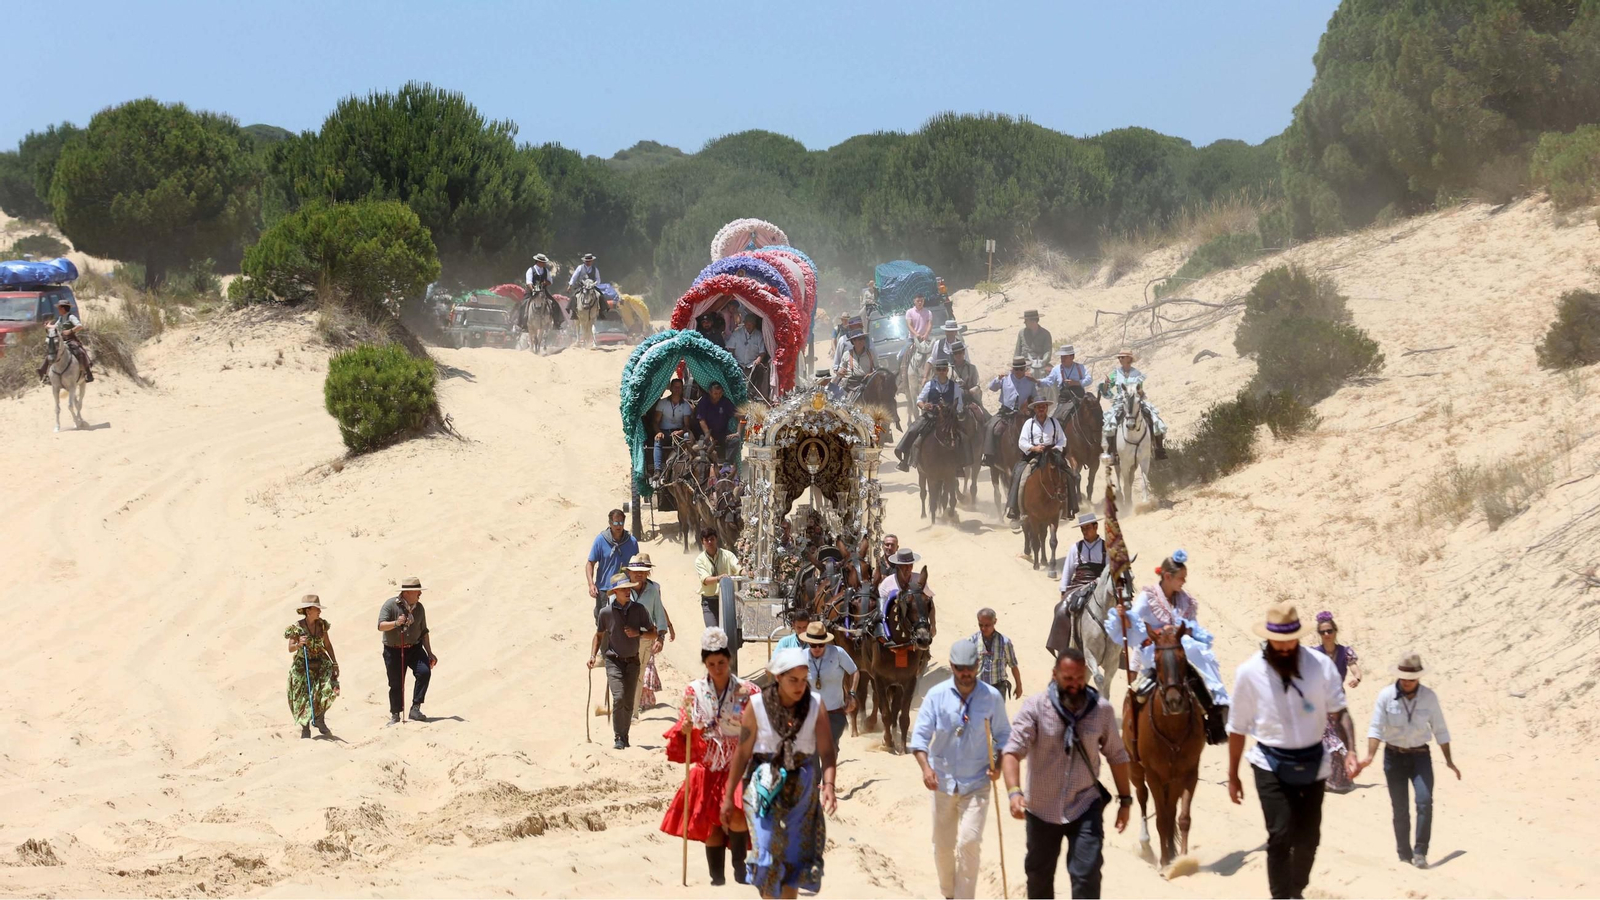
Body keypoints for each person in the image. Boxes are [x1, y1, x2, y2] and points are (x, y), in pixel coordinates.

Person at [1226, 601, 1358, 900]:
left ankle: (1295, 891)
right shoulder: (1250, 672)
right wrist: (1232, 774)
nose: (1285, 648)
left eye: (1290, 642)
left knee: (1309, 839)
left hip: (1313, 760)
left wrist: (1350, 750)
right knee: (1281, 835)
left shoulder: (1320, 666)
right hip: (1269, 763)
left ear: (1298, 637)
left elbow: (1341, 711)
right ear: (1269, 638)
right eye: (1278, 642)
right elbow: (1237, 728)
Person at [1002, 649, 1133, 899]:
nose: (1074, 685)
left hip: (1084, 806)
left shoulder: (1101, 710)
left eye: (1079, 679)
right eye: (1067, 679)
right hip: (1041, 809)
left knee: (1087, 876)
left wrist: (1125, 800)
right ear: (1055, 675)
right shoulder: (1035, 707)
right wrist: (1014, 792)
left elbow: (1117, 756)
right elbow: (1012, 752)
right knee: (1038, 879)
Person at [723, 647, 838, 899]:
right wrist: (729, 794)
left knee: (794, 858)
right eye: (792, 680)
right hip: (764, 785)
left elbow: (827, 752)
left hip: (803, 786)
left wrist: (828, 785)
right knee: (766, 852)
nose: (799, 686)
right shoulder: (756, 706)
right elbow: (742, 753)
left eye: (803, 679)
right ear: (778, 678)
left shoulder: (815, 705)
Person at [909, 639, 1010, 900]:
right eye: (960, 668)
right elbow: (919, 739)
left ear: (978, 665)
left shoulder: (992, 697)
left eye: (971, 667)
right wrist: (925, 768)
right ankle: (949, 895)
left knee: (969, 843)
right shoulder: (936, 696)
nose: (966, 673)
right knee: (943, 847)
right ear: (952, 666)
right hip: (941, 782)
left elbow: (1004, 738)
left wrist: (997, 765)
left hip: (977, 783)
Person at [662, 627, 760, 886]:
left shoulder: (746, 691)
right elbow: (685, 721)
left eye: (722, 662)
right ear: (705, 663)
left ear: (729, 660)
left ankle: (740, 868)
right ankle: (716, 878)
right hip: (708, 764)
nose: (717, 668)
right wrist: (685, 729)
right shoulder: (693, 691)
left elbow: (761, 723)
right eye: (712, 663)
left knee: (738, 814)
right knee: (712, 825)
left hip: (737, 763)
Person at [1104, 552, 1231, 743]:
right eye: (1181, 578)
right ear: (1168, 577)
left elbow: (1191, 625)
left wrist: (1180, 630)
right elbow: (1134, 619)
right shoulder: (1148, 597)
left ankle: (1213, 716)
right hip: (1155, 649)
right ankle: (1135, 731)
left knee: (1198, 662)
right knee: (1141, 690)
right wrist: (1124, 617)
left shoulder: (1185, 600)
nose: (1183, 582)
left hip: (1181, 649)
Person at [1358, 652, 1458, 871]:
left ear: (1419, 678)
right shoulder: (1385, 696)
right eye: (1404, 678)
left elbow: (1440, 729)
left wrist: (1449, 760)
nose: (1407, 683)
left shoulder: (1429, 697)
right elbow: (1376, 728)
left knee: (1424, 801)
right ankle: (1404, 854)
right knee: (1400, 808)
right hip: (1393, 758)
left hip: (1420, 757)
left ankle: (1420, 851)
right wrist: (1370, 756)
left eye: (1411, 679)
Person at [589, 573, 658, 749]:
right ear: (615, 592)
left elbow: (653, 632)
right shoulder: (606, 613)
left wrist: (639, 633)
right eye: (623, 589)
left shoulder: (639, 609)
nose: (628, 591)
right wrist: (592, 655)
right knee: (619, 697)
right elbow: (598, 636)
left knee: (628, 701)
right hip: (613, 661)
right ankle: (618, 736)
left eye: (628, 588)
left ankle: (625, 736)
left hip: (633, 662)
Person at [1313, 611, 1362, 792]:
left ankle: (1339, 777)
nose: (1327, 635)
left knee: (1340, 733)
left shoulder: (1345, 652)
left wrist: (1357, 678)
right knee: (1327, 736)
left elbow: (1356, 669)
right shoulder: (1314, 653)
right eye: (1323, 632)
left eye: (1329, 631)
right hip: (1320, 698)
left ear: (1335, 631)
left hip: (1337, 698)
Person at [377, 576, 436, 726]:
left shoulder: (420, 608)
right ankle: (395, 714)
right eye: (417, 591)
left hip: (415, 648)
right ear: (408, 592)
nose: (420, 594)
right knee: (396, 683)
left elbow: (424, 631)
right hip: (393, 650)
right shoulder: (390, 605)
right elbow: (381, 625)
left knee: (424, 672)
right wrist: (396, 623)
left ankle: (415, 708)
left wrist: (429, 652)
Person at [895, 358, 964, 472]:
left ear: (947, 370)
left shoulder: (954, 386)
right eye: (939, 369)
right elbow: (919, 400)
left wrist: (950, 409)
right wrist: (924, 406)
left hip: (948, 418)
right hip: (931, 417)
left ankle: (960, 464)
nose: (942, 371)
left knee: (963, 436)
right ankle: (905, 461)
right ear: (936, 371)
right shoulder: (929, 385)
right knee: (913, 430)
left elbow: (960, 404)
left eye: (944, 369)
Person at [285, 594, 339, 738]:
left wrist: (334, 662)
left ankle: (320, 718)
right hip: (303, 665)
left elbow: (327, 644)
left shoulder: (322, 625)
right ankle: (305, 728)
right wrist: (299, 644)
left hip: (321, 662)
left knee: (328, 689)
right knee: (302, 696)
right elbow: (290, 648)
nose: (319, 611)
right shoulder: (296, 628)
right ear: (308, 610)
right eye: (317, 609)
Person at [1098, 349, 1167, 459]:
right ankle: (1112, 452)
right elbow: (1107, 390)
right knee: (1110, 423)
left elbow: (1141, 390)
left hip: (1135, 400)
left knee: (1154, 418)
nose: (1120, 359)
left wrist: (1138, 392)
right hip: (1121, 401)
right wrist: (1106, 384)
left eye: (1122, 357)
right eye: (1119, 357)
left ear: (1129, 359)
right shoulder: (1115, 373)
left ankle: (1159, 448)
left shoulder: (1137, 374)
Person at [628, 555, 674, 718]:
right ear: (629, 572)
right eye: (635, 571)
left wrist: (661, 637)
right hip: (624, 640)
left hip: (645, 639)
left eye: (642, 571)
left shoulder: (653, 590)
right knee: (623, 675)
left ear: (648, 572)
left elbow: (659, 614)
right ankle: (623, 710)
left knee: (638, 676)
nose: (639, 574)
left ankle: (632, 714)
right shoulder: (622, 589)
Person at [798, 621, 859, 742]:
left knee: (830, 750)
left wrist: (852, 694)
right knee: (812, 753)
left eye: (821, 645)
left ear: (826, 642)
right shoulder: (801, 657)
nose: (817, 648)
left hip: (835, 714)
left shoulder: (838, 653)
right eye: (813, 645)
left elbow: (854, 671)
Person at [1007, 396, 1066, 522]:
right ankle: (1014, 509)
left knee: (1069, 474)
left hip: (1052, 455)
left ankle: (1069, 507)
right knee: (1019, 476)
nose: (1041, 409)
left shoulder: (1055, 422)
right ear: (1034, 409)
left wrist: (1056, 448)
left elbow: (1062, 440)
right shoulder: (1028, 424)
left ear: (1047, 408)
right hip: (1033, 455)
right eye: (1039, 407)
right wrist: (1033, 448)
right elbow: (1022, 442)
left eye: (1043, 406)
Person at [983, 357, 1040, 466]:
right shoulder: (1005, 379)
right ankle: (989, 456)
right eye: (1016, 369)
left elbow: (1035, 396)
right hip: (1005, 412)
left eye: (1021, 369)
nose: (1018, 372)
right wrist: (997, 379)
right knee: (989, 427)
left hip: (1024, 414)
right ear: (1012, 369)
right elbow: (992, 388)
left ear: (1025, 369)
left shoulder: (1030, 382)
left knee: (1038, 429)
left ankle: (1040, 453)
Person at [585, 510, 639, 624]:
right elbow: (590, 564)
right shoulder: (600, 540)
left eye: (621, 523)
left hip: (625, 589)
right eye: (615, 523)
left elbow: (636, 566)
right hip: (605, 590)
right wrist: (591, 584)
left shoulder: (632, 541)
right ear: (610, 523)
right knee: (603, 625)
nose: (618, 526)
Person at [971, 609, 1023, 702]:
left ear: (995, 621)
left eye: (987, 625)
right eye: (981, 625)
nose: (983, 628)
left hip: (998, 688)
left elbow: (1013, 665)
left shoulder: (1005, 642)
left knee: (996, 716)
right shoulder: (972, 641)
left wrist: (1019, 686)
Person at [37, 298, 93, 383]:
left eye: (59, 308)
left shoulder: (71, 317)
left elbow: (79, 326)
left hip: (70, 339)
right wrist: (48, 326)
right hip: (61, 341)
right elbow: (56, 326)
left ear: (63, 308)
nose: (58, 310)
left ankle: (88, 373)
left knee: (80, 351)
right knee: (51, 351)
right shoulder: (60, 318)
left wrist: (70, 331)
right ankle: (44, 372)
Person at [696, 527, 741, 626]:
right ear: (702, 542)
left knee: (734, 632)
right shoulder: (700, 560)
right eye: (706, 540)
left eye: (712, 539)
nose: (709, 542)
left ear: (716, 539)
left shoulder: (728, 555)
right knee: (713, 633)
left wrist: (746, 572)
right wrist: (719, 578)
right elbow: (706, 579)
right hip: (709, 602)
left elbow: (738, 568)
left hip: (728, 599)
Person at [651, 378, 697, 475]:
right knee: (657, 440)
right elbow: (655, 422)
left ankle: (688, 465)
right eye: (675, 387)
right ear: (671, 388)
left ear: (682, 389)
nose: (677, 389)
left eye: (679, 387)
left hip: (679, 433)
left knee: (687, 439)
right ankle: (657, 470)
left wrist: (680, 432)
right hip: (664, 432)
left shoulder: (685, 405)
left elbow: (687, 425)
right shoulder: (662, 403)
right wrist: (658, 432)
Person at [1057, 513, 1106, 595]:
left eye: (1088, 528)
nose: (1085, 531)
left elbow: (1110, 571)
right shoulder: (1075, 548)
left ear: (1096, 527)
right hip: (1078, 589)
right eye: (1082, 529)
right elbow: (1067, 571)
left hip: (1099, 588)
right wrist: (1063, 591)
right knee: (1061, 608)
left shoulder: (1106, 548)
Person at [695, 381, 741, 464]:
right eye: (715, 393)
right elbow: (701, 420)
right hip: (706, 433)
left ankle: (727, 464)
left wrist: (738, 432)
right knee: (706, 447)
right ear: (710, 392)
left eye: (720, 393)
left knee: (735, 440)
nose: (718, 396)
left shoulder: (725, 402)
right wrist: (708, 435)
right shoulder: (704, 402)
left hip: (722, 433)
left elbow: (740, 416)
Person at [727, 312, 770, 393]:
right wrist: (733, 362)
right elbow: (731, 349)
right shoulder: (737, 333)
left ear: (754, 325)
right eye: (747, 324)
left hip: (752, 364)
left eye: (751, 324)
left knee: (762, 370)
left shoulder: (759, 335)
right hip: (738, 363)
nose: (749, 326)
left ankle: (757, 395)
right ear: (744, 323)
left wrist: (758, 360)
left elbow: (762, 352)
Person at [1041, 346, 1091, 410]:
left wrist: (1076, 383)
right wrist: (1037, 381)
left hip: (1080, 398)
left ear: (1072, 357)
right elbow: (1048, 381)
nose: (1062, 359)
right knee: (1057, 417)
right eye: (1061, 357)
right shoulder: (1056, 369)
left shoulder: (1080, 367)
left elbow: (1089, 379)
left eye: (1065, 357)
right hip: (1064, 400)